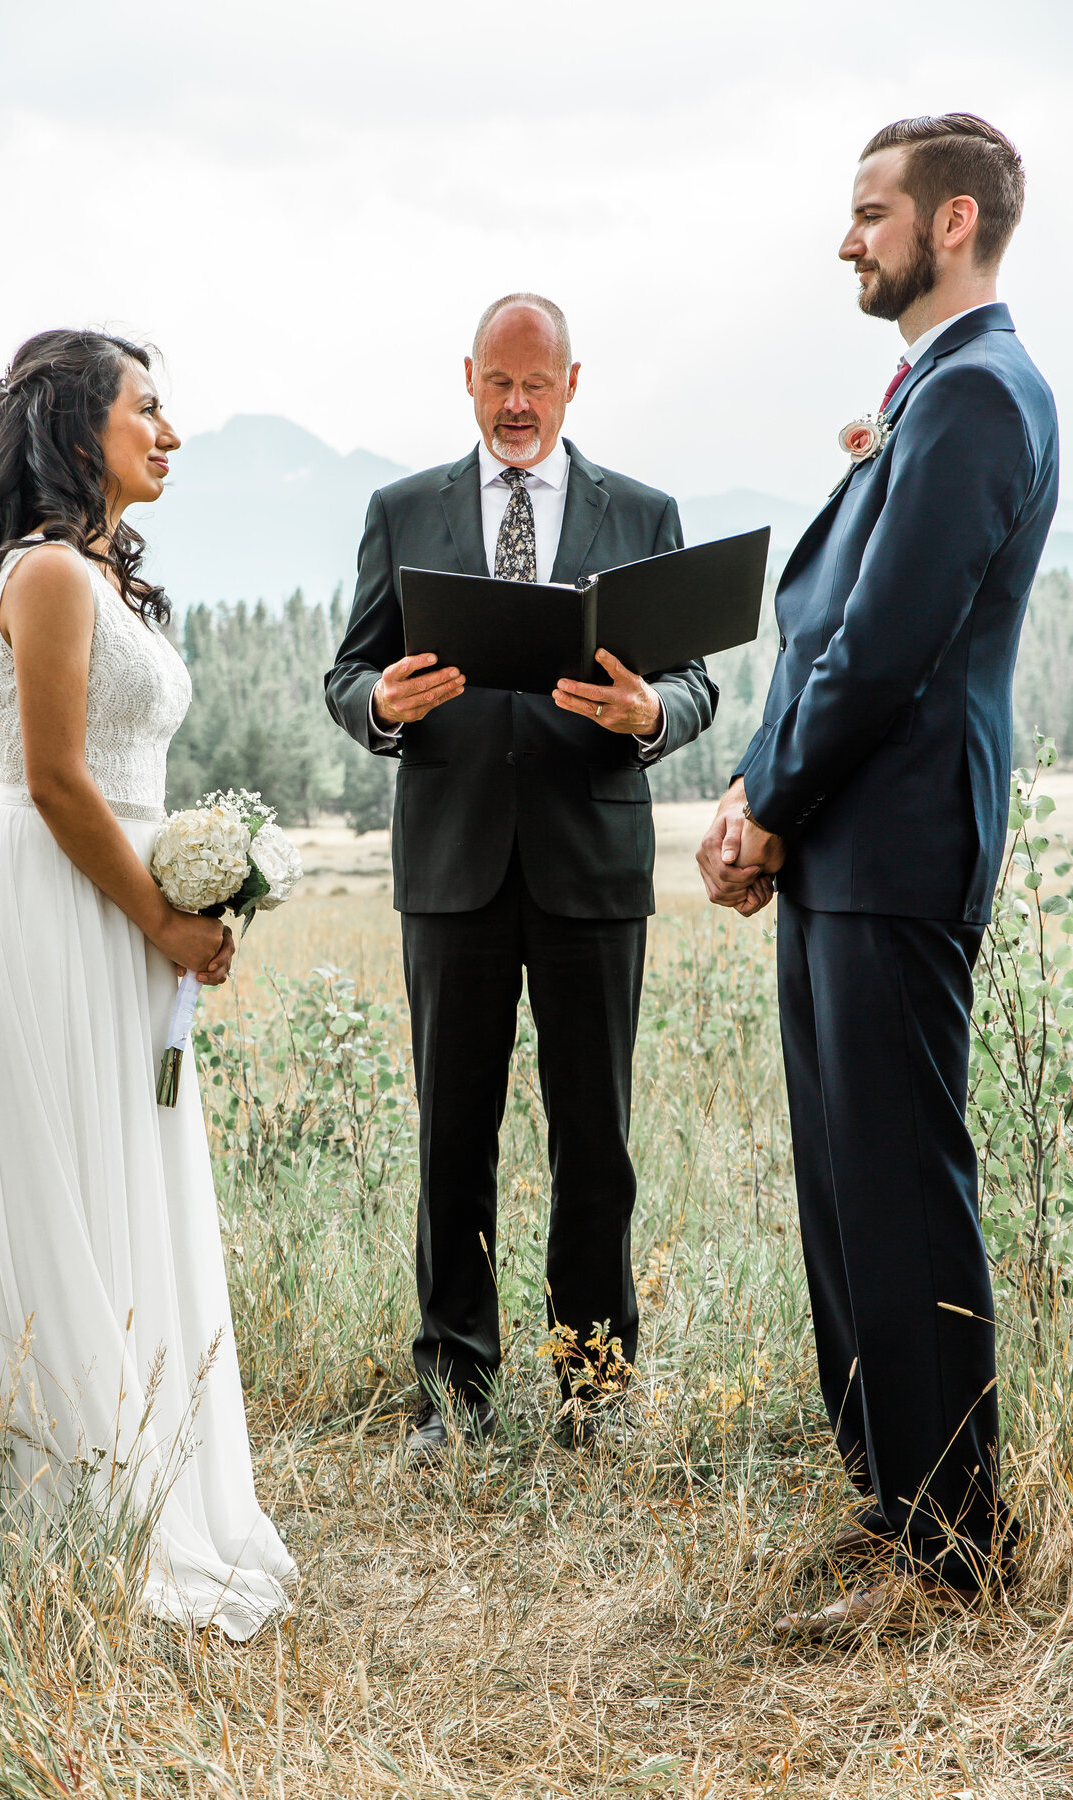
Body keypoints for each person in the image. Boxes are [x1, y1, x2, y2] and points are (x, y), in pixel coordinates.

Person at [697, 116, 1058, 1632]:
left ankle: (952, 1549)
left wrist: (768, 800)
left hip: (897, 841)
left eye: (871, 213)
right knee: (849, 1188)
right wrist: (758, 793)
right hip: (854, 839)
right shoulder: (933, 396)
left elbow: (889, 648)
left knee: (903, 1189)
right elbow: (834, 620)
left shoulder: (979, 395)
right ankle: (894, 1503)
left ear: (953, 220)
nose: (848, 240)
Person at [0, 329, 297, 1639]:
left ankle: (143, 1468)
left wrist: (201, 887)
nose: (173, 431)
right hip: (60, 907)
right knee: (65, 1177)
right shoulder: (42, 574)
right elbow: (55, 778)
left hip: (126, 909)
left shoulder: (104, 578)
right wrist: (157, 915)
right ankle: (69, 1493)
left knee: (129, 1175)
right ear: (81, 423)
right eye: (151, 408)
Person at [325, 294, 718, 1458]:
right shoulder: (403, 510)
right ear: (468, 378)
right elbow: (350, 673)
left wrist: (655, 711)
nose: (515, 404)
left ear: (572, 385)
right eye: (497, 381)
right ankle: (457, 1390)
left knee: (595, 1139)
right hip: (450, 871)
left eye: (535, 384)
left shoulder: (640, 512)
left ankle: (592, 1390)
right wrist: (379, 708)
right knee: (456, 1136)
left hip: (593, 866)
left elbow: (696, 681)